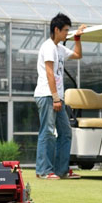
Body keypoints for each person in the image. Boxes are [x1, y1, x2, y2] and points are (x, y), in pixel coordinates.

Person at [34, 13, 86, 180]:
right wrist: (56, 98)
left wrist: (77, 38)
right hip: (47, 95)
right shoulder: (48, 47)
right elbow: (49, 72)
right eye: (65, 31)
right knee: (48, 132)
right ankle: (43, 170)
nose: (66, 34)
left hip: (57, 97)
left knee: (65, 132)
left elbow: (78, 55)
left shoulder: (59, 48)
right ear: (56, 30)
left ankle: (61, 170)